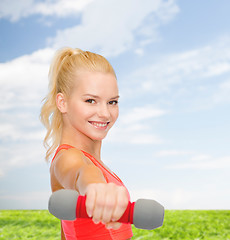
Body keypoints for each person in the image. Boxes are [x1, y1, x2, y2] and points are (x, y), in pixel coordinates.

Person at [40, 47, 133, 240]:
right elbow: (81, 172)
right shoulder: (68, 157)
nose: (105, 113)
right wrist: (94, 187)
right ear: (62, 102)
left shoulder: (96, 162)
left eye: (112, 102)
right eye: (91, 100)